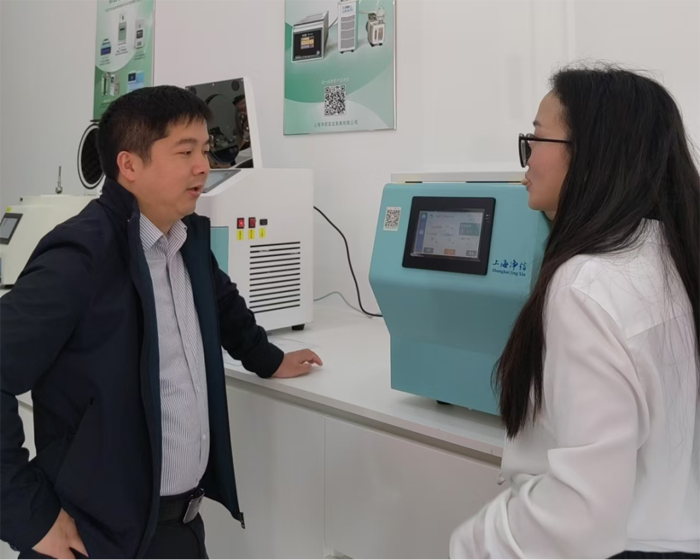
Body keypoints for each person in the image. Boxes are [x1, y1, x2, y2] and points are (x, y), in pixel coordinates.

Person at [0, 85, 322, 560]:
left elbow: (222, 304)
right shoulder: (81, 256)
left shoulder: (184, 239)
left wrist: (268, 358)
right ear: (129, 165)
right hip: (97, 538)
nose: (203, 166)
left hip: (179, 527)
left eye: (205, 150)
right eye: (185, 152)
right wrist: (29, 517)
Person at [450, 66, 700, 559]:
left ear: (591, 155)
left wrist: (472, 542)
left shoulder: (586, 284)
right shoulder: (673, 256)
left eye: (536, 138)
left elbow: (580, 516)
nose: (527, 156)